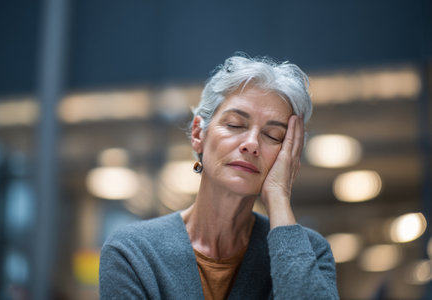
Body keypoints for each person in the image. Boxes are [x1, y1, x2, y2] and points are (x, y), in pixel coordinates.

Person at [99, 54, 339, 299]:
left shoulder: (309, 252)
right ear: (197, 134)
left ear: (289, 154)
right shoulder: (133, 252)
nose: (251, 144)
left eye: (274, 136)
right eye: (235, 124)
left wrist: (278, 195)